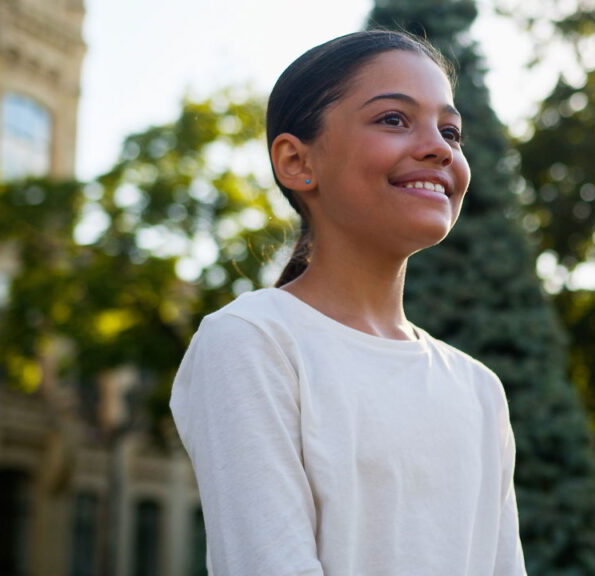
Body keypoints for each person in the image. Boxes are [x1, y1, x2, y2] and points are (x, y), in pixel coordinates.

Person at [169, 30, 526, 576]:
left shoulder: (480, 389)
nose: (439, 147)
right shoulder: (252, 341)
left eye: (451, 131)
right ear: (296, 161)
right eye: (394, 119)